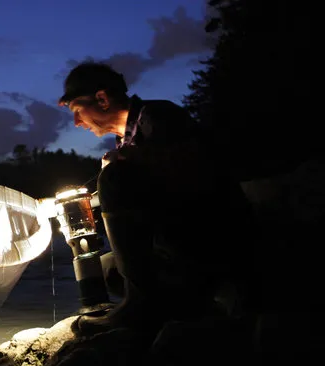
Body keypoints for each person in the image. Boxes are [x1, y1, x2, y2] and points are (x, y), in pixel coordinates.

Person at [58, 61, 260, 336]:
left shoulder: (159, 116)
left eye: (77, 111)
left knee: (114, 177)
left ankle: (141, 306)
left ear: (102, 99)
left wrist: (124, 162)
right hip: (176, 242)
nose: (77, 122)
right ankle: (178, 307)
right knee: (108, 268)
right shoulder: (130, 138)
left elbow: (193, 166)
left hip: (213, 237)